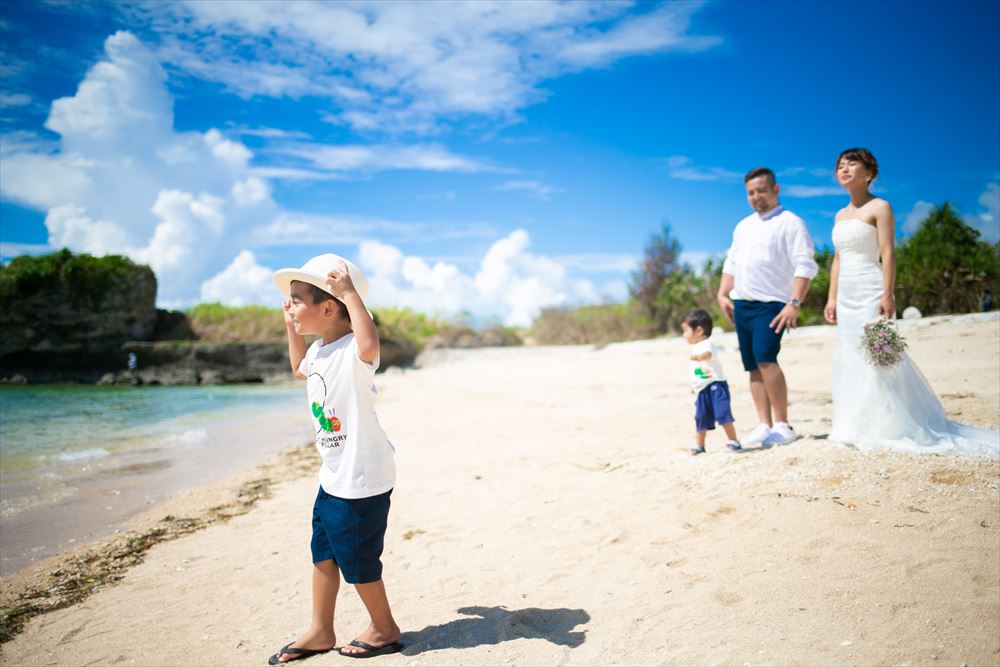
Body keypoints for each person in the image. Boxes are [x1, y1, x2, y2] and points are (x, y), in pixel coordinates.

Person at [268, 254, 404, 663]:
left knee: (358, 558)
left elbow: (369, 342)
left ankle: (384, 627)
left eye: (296, 299)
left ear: (329, 307)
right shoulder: (319, 353)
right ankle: (320, 630)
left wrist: (348, 292)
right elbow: (297, 367)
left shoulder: (352, 352)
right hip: (333, 477)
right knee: (324, 551)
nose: (289, 305)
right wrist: (290, 325)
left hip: (362, 477)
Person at [824, 148, 998, 457]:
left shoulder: (880, 207)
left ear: (869, 173)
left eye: (852, 163)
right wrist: (832, 297)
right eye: (840, 165)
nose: (844, 169)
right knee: (849, 352)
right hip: (847, 293)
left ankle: (889, 424)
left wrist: (887, 293)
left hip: (870, 286)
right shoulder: (839, 215)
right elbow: (837, 259)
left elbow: (888, 253)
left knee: (876, 353)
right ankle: (853, 424)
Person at [717, 167, 818, 447]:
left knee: (766, 359)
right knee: (752, 366)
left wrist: (794, 303)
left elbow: (805, 264)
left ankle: (783, 424)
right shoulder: (743, 226)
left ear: (776, 189)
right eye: (750, 192)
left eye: (761, 190)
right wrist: (723, 294)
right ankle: (764, 424)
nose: (756, 196)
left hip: (772, 303)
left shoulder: (790, 222)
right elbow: (731, 262)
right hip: (742, 303)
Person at [681, 309, 742, 455]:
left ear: (699, 330)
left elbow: (708, 354)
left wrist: (700, 357)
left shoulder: (707, 344)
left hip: (715, 384)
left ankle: (733, 440)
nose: (684, 334)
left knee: (722, 412)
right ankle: (700, 445)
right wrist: (694, 385)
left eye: (685, 330)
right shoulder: (695, 347)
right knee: (700, 417)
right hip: (702, 388)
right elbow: (698, 372)